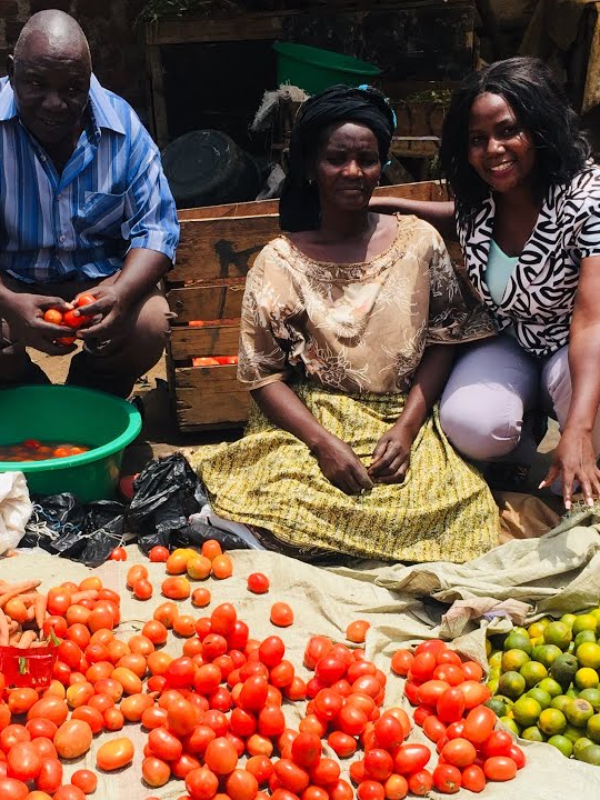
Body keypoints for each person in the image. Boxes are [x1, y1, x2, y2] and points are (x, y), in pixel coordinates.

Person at [194, 85, 499, 564]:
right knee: (284, 499)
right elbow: (264, 376)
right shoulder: (279, 262)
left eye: (368, 159)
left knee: (457, 507)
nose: (354, 172)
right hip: (314, 418)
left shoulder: (419, 243)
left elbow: (446, 337)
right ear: (312, 167)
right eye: (338, 158)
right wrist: (322, 445)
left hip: (402, 414)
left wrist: (407, 428)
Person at [371, 57, 600, 510]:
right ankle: (522, 445)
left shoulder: (586, 201)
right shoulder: (482, 201)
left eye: (507, 130)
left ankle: (569, 452)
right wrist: (376, 201)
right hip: (509, 339)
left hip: (572, 344)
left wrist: (577, 429)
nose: (492, 149)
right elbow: (454, 219)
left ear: (539, 128)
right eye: (478, 139)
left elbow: (592, 321)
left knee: (591, 418)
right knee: (469, 424)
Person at [0, 10, 179, 398]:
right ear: (11, 72)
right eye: (35, 83)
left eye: (72, 88)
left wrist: (123, 293)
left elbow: (157, 229)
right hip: (10, 283)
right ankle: (25, 393)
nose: (54, 103)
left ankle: (95, 395)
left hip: (99, 285)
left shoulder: (123, 128)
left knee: (150, 323)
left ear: (90, 80)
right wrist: (10, 303)